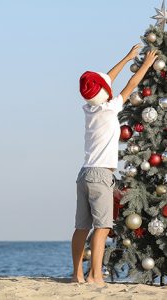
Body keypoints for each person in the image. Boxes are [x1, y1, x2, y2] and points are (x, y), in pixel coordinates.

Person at [71, 44, 158, 285]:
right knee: (102, 227)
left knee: (81, 227)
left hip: (84, 174)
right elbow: (130, 85)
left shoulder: (89, 108)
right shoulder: (110, 109)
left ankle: (77, 274)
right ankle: (95, 276)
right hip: (100, 176)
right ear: (104, 93)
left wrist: (127, 57)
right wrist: (145, 64)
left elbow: (107, 79)